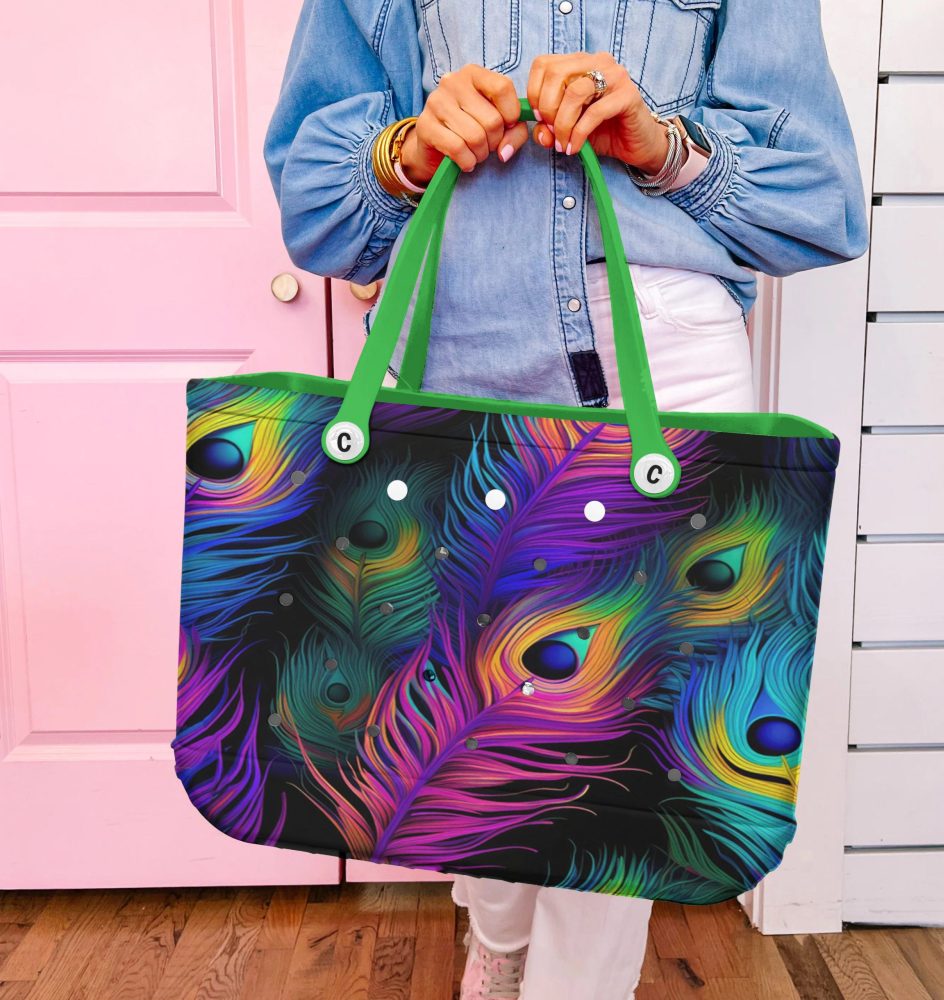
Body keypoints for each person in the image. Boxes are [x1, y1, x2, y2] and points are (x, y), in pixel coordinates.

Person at [264, 1, 868, 997]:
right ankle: (497, 937)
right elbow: (314, 209)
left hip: (659, 365)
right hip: (449, 350)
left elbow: (820, 197)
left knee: (613, 760)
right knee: (458, 720)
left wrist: (665, 146)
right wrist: (407, 152)